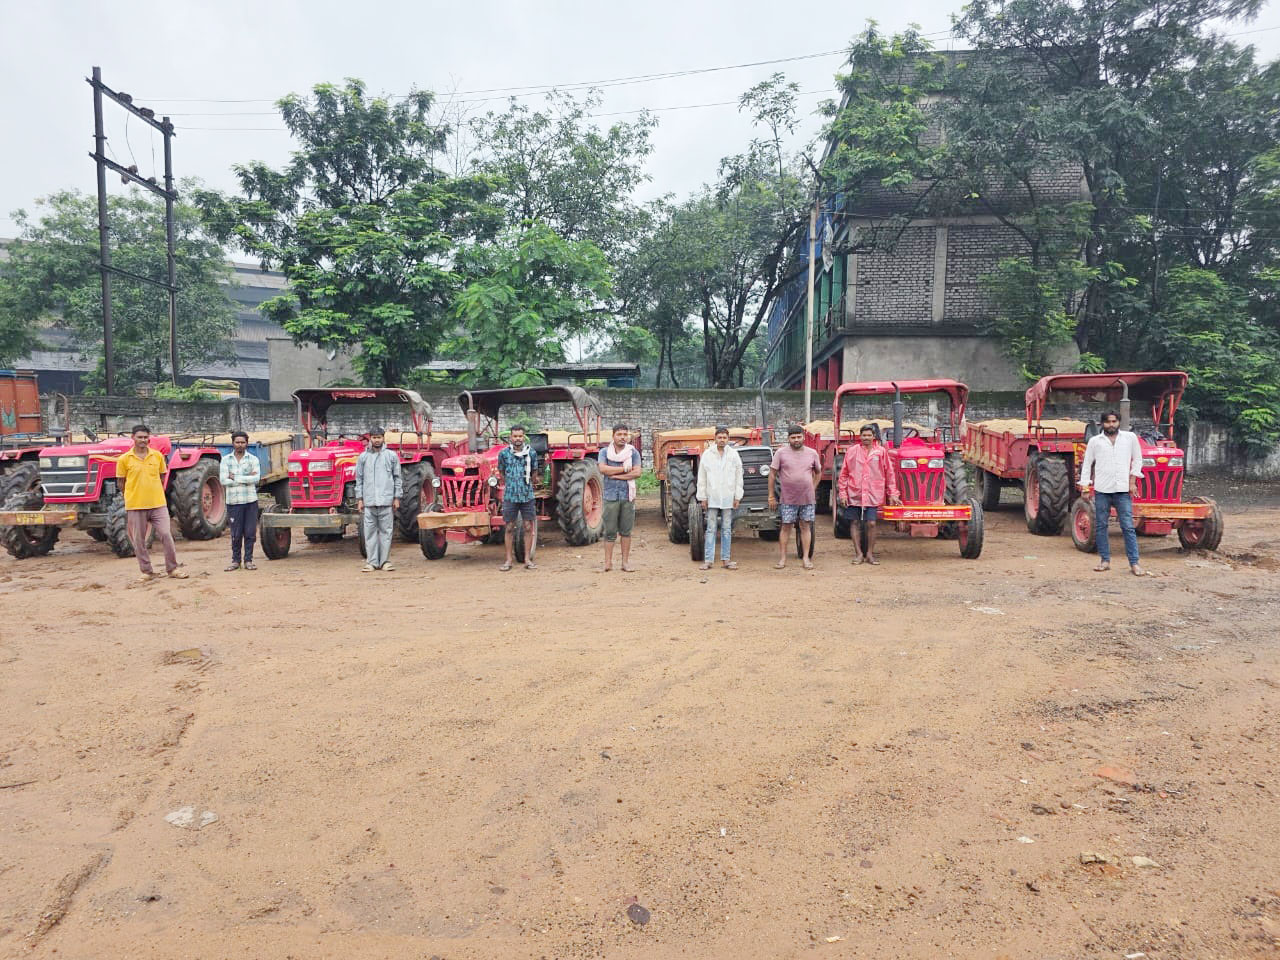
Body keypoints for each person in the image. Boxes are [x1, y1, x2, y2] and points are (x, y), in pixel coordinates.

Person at [115, 424, 188, 582]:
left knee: (166, 535)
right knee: (139, 540)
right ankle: (147, 571)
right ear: (133, 438)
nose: (143, 440)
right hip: (135, 505)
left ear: (149, 438)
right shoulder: (124, 460)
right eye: (140, 437)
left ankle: (173, 568)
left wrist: (153, 491)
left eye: (145, 437)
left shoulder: (157, 457)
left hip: (157, 504)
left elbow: (162, 478)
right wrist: (132, 495)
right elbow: (121, 483)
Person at [1079, 410, 1146, 576]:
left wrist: (1132, 482)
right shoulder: (1095, 441)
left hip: (1123, 490)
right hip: (1102, 490)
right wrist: (1085, 487)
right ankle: (1105, 561)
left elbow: (1138, 459)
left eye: (1114, 421)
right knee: (1101, 526)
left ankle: (1134, 563)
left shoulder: (1129, 438)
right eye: (1108, 422)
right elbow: (1087, 464)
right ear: (1102, 424)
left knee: (1128, 526)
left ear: (1119, 422)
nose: (1111, 425)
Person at [837, 424, 901, 565]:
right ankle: (859, 554)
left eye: (869, 435)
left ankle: (870, 554)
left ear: (874, 436)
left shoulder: (881, 452)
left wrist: (893, 493)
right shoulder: (852, 451)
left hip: (873, 493)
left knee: (871, 523)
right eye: (863, 435)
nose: (866, 438)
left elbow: (889, 474)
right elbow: (844, 474)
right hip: (854, 493)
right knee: (854, 522)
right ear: (860, 436)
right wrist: (843, 493)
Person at [768, 423, 822, 570]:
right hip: (788, 498)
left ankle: (805, 558)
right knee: (786, 527)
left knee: (805, 526)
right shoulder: (781, 453)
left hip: (807, 498)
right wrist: (771, 495)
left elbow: (818, 473)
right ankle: (783, 559)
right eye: (793, 437)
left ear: (803, 437)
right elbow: (772, 474)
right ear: (788, 439)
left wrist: (813, 487)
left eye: (799, 437)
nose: (796, 440)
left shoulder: (812, 453)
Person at [695, 425, 743, 571]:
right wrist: (702, 497)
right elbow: (702, 477)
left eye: (725, 438)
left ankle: (726, 560)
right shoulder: (707, 455)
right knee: (710, 529)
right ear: (715, 439)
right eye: (719, 437)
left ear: (728, 439)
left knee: (727, 529)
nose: (722, 440)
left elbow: (738, 476)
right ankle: (708, 560)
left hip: (728, 496)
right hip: (712, 496)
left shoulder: (734, 455)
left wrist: (737, 496)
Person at [355, 427, 402, 572]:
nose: (376, 440)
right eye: (374, 437)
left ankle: (385, 562)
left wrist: (396, 497)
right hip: (369, 502)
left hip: (386, 501)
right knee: (369, 533)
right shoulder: (363, 457)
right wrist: (360, 499)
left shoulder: (391, 456)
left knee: (386, 532)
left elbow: (397, 478)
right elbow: (359, 479)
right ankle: (372, 562)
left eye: (379, 437)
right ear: (370, 438)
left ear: (383, 438)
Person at [598, 424, 642, 572]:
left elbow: (637, 473)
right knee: (609, 531)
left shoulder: (632, 452)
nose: (623, 437)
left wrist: (615, 475)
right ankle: (608, 563)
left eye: (625, 434)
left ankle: (625, 563)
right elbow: (603, 469)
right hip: (610, 496)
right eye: (619, 434)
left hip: (627, 496)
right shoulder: (604, 452)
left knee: (626, 531)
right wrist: (624, 469)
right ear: (613, 436)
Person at [497, 425, 538, 571]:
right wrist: (511, 484)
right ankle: (508, 560)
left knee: (528, 527)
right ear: (511, 438)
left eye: (520, 436)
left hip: (527, 495)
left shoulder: (531, 453)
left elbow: (534, 472)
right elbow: (501, 472)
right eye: (515, 436)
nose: (518, 439)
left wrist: (526, 484)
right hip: (510, 495)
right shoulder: (503, 454)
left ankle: (527, 559)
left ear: (524, 437)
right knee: (509, 527)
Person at [219, 430, 261, 571]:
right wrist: (245, 476)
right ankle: (235, 561)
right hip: (233, 502)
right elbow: (223, 480)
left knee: (250, 532)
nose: (240, 445)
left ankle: (248, 560)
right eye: (237, 442)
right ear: (233, 443)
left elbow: (256, 479)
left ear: (247, 444)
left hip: (250, 501)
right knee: (236, 534)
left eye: (243, 442)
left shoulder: (253, 459)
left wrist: (234, 477)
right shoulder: (225, 460)